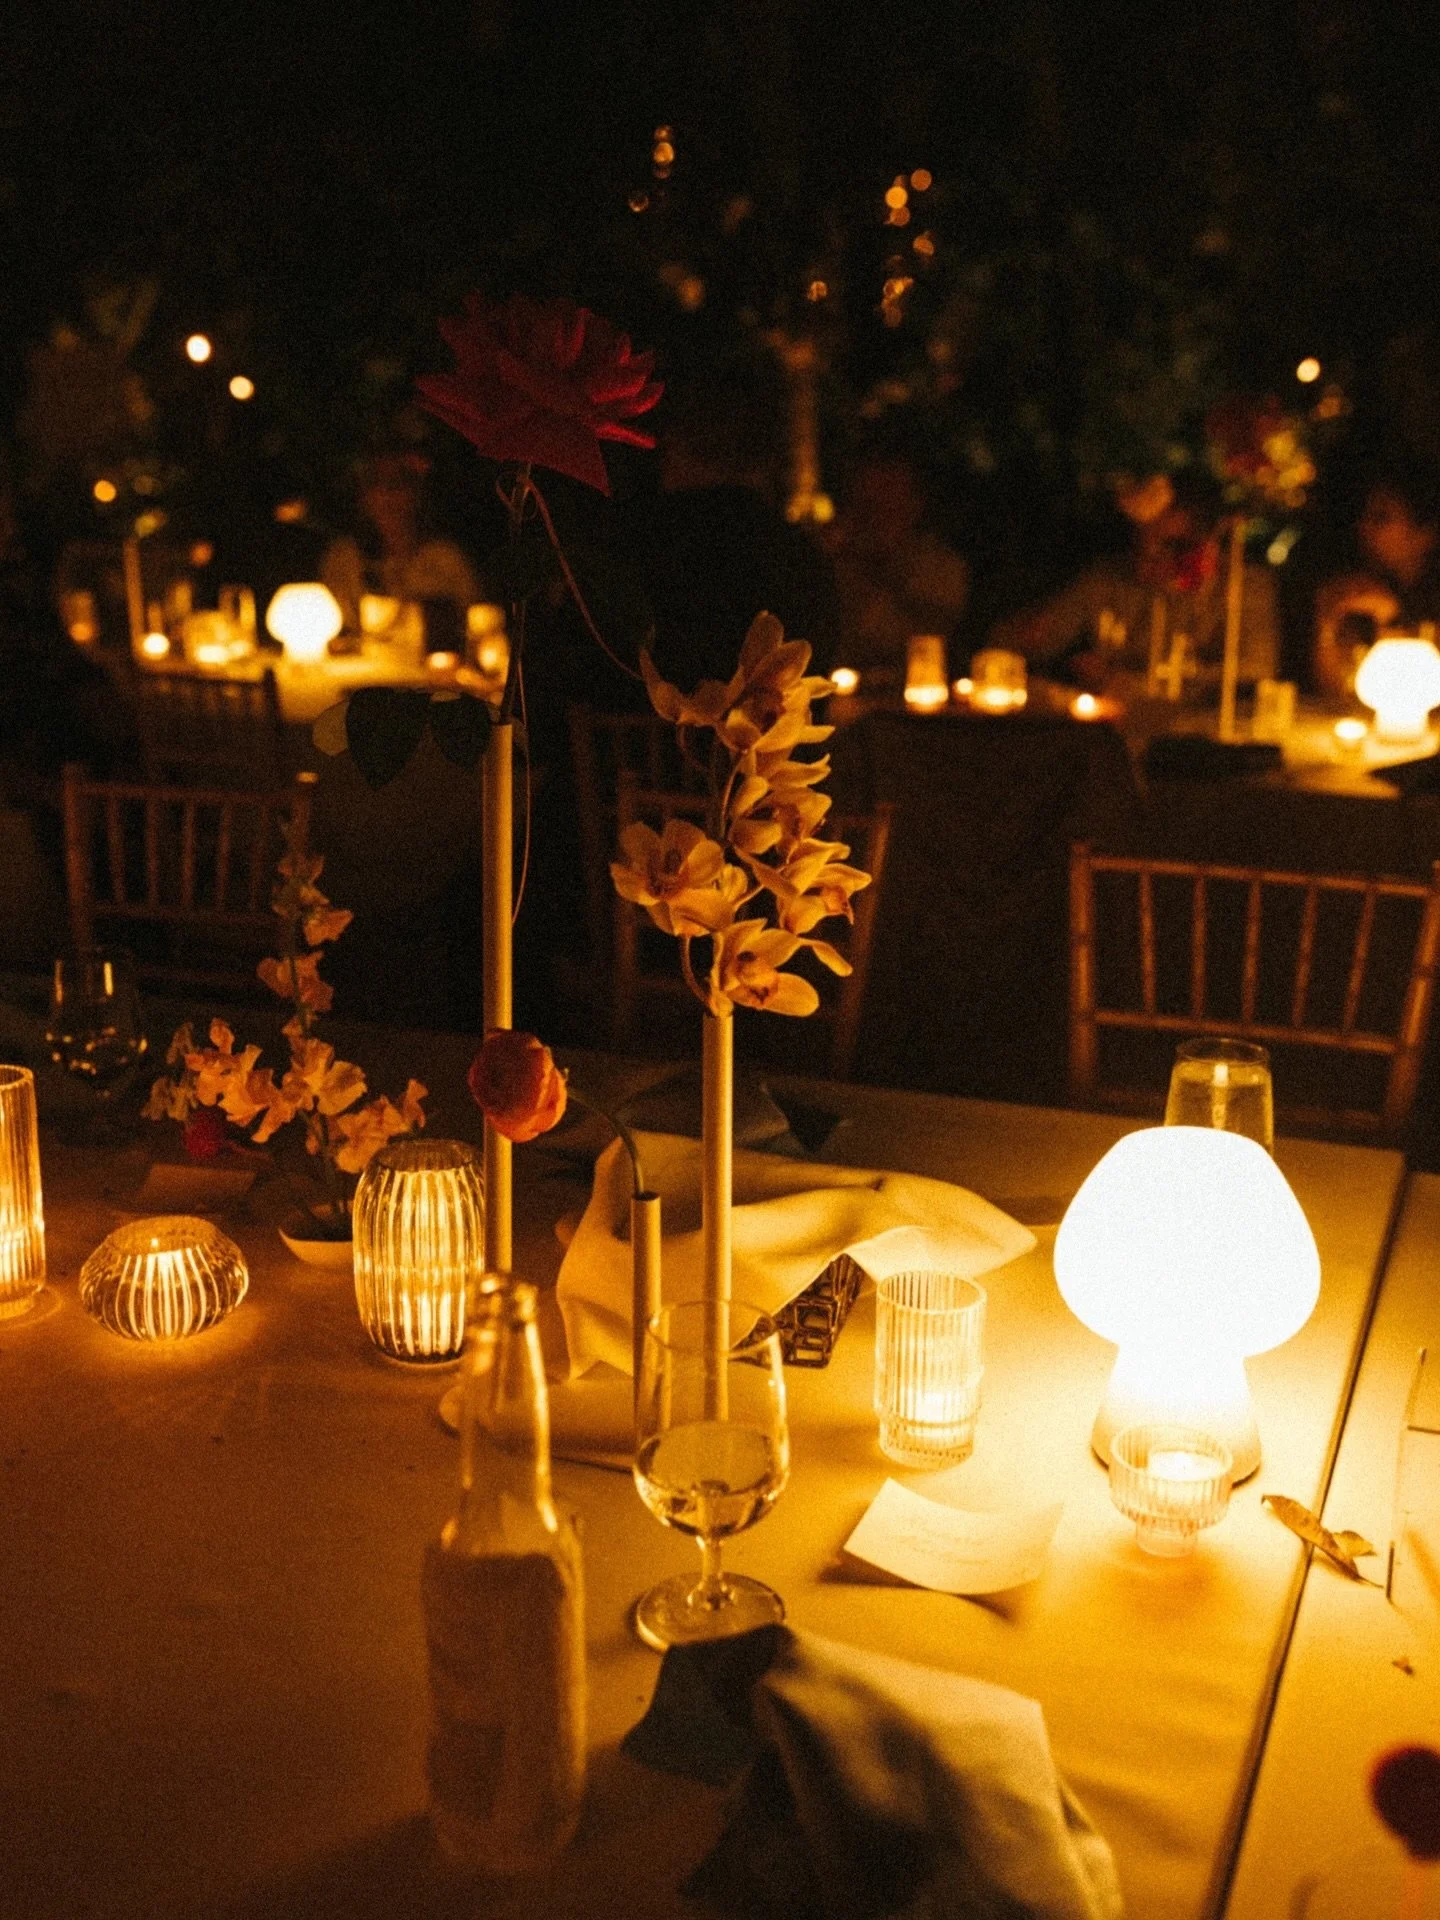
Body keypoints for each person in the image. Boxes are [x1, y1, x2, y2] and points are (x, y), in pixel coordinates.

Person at [617, 350, 840, 689]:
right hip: (760, 743)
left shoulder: (626, 552)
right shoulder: (799, 560)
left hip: (623, 742)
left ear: (674, 443)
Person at [993, 470, 1279, 695]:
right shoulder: (1106, 580)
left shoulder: (1242, 586)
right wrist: (1026, 637)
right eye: (1142, 541)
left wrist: (1127, 680)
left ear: (1208, 546)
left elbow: (1253, 669)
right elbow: (1026, 639)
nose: (1147, 560)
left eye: (1169, 545)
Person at [825, 449, 970, 678]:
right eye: (867, 506)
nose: (876, 520)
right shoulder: (831, 567)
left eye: (888, 505)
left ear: (914, 505)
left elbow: (932, 640)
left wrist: (885, 571)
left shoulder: (941, 568)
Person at [1311, 460, 1440, 698]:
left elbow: (1418, 694)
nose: (1365, 528)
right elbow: (1335, 689)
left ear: (1424, 535)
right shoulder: (1362, 589)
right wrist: (1327, 624)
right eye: (1365, 517)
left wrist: (1393, 618)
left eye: (1382, 518)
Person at [321, 451, 479, 640]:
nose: (386, 495)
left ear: (417, 494)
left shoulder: (445, 560)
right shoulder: (344, 558)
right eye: (376, 483)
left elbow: (473, 621)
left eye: (397, 484)